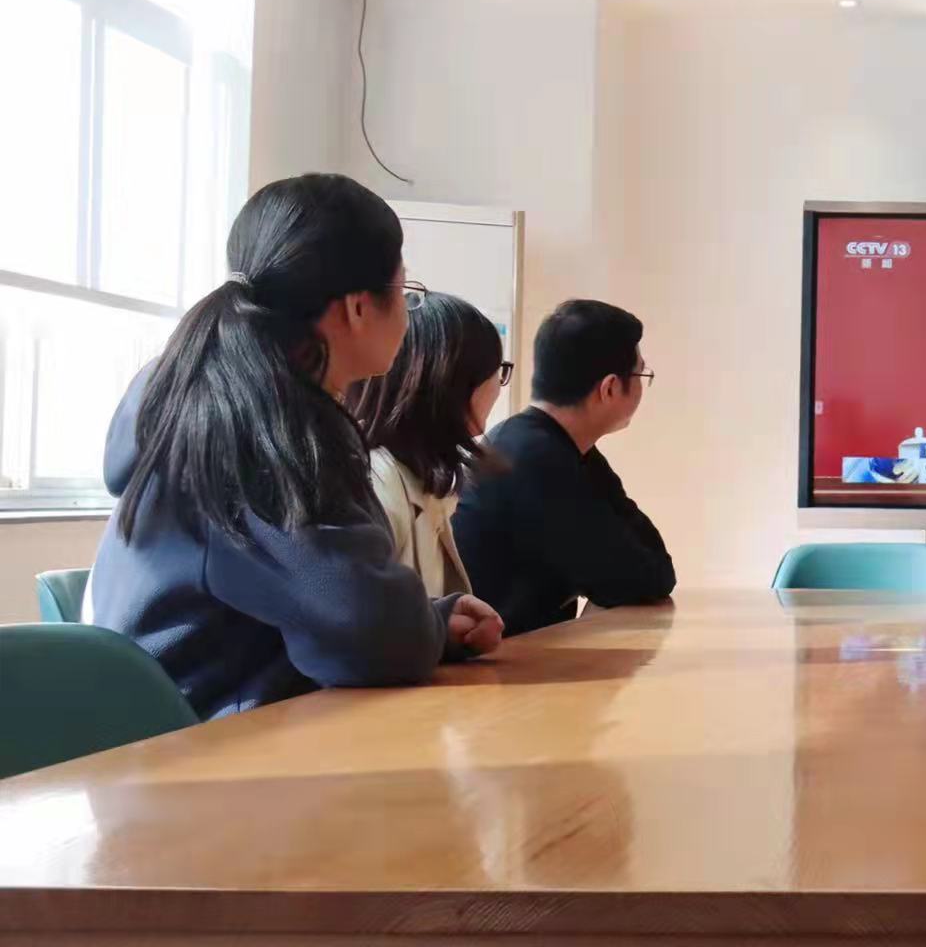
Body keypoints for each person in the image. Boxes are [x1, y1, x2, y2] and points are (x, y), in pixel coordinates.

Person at [90, 173, 503, 720]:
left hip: (168, 717)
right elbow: (367, 635)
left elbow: (336, 605)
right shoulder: (272, 430)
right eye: (406, 293)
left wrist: (429, 621)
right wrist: (421, 625)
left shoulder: (204, 390)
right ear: (357, 308)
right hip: (208, 745)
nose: (409, 314)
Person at [453, 299, 675, 636]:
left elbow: (653, 565)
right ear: (610, 388)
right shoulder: (536, 459)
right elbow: (639, 579)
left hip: (519, 651)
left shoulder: (546, 444)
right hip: (495, 663)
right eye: (641, 374)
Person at [346, 291, 508, 597]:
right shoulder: (378, 485)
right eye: (498, 371)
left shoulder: (418, 477)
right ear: (456, 381)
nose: (498, 387)